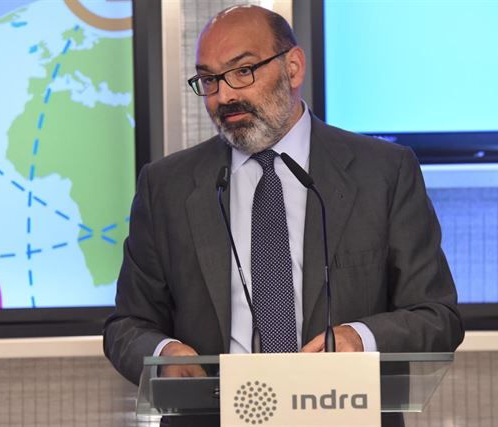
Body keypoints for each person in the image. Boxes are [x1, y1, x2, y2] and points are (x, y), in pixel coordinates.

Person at [104, 5, 464, 426]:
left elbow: (437, 317)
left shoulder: (383, 172)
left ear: (293, 68)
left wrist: (361, 338)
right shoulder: (167, 185)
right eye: (209, 80)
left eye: (243, 71)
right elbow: (127, 325)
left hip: (342, 414)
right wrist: (164, 353)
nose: (224, 96)